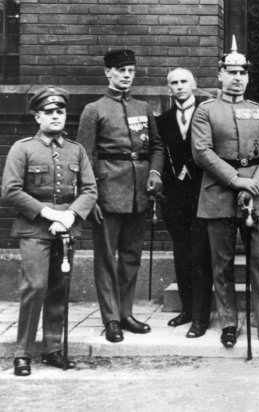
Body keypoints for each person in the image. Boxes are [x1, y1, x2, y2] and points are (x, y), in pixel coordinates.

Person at [191, 36, 259, 351]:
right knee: (221, 264)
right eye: (231, 72)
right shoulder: (206, 111)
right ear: (220, 74)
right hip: (219, 193)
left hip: (257, 194)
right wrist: (236, 180)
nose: (238, 78)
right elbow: (202, 152)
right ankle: (229, 323)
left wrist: (256, 183)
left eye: (243, 73)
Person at [1, 86, 97, 376]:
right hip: (34, 229)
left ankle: (54, 348)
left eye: (60, 111)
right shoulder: (23, 148)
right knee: (36, 286)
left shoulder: (76, 150)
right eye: (49, 112)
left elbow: (90, 190)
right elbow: (10, 190)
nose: (56, 117)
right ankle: (23, 352)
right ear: (37, 116)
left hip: (65, 228)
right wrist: (48, 213)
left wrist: (69, 215)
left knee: (59, 288)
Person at [76, 49, 164, 343]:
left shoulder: (143, 107)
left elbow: (157, 147)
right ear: (108, 73)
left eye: (131, 70)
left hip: (139, 193)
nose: (127, 75)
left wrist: (154, 174)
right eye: (121, 70)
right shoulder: (95, 110)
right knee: (106, 258)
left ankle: (126, 313)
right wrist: (91, 198)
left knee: (131, 256)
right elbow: (84, 156)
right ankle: (111, 318)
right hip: (107, 191)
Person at [156, 68, 212, 338]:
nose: (179, 87)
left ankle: (201, 317)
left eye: (184, 82)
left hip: (202, 192)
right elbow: (159, 154)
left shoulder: (207, 112)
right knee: (182, 253)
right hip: (175, 196)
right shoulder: (163, 120)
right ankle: (188, 309)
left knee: (201, 254)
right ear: (169, 88)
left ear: (194, 84)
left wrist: (189, 165)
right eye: (174, 83)